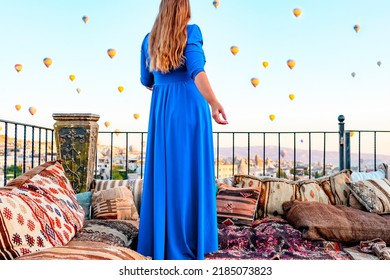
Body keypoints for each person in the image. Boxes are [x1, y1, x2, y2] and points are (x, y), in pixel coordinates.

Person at [137, 0, 228, 260]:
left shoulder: (148, 40)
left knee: (166, 174)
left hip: (164, 109)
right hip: (191, 107)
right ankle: (194, 239)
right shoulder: (192, 31)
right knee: (192, 174)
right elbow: (197, 70)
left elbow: (146, 80)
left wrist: (165, 81)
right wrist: (214, 102)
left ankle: (162, 241)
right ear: (184, 9)